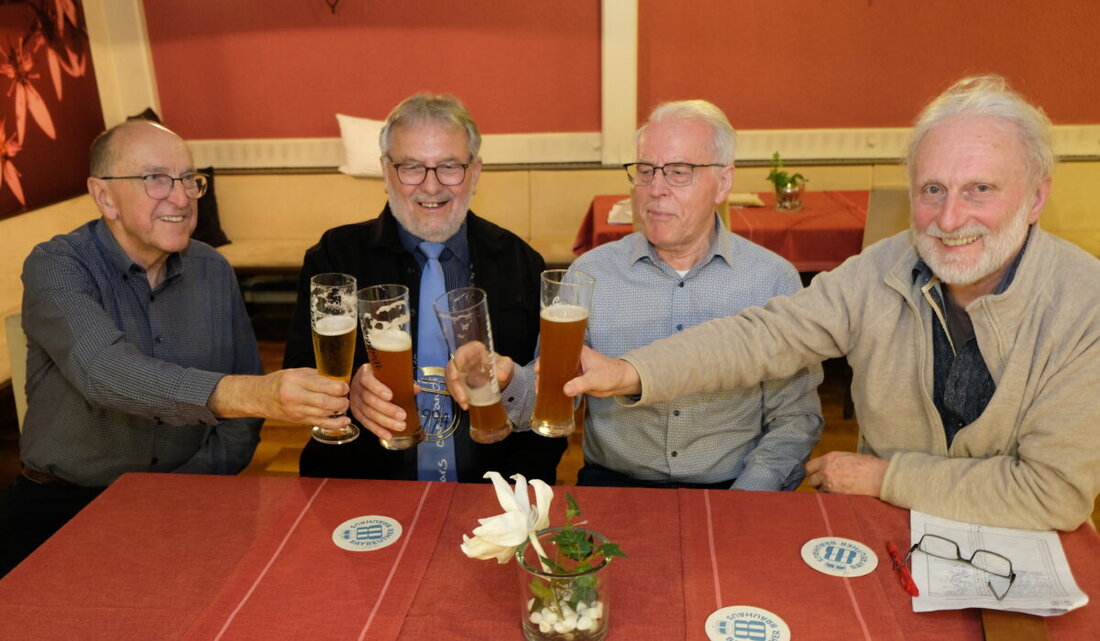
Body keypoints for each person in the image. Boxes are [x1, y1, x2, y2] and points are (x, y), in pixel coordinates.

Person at [566, 75, 1100, 531]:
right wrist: (628, 372)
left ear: (1035, 198)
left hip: (1017, 547)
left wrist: (883, 477)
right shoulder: (884, 267)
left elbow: (1051, 494)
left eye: (980, 189)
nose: (950, 218)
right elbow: (763, 336)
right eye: (932, 189)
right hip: (887, 529)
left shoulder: (1085, 304)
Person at [0, 119, 350, 577]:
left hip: (191, 492)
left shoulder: (212, 269)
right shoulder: (57, 266)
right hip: (65, 500)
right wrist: (255, 393)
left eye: (189, 179)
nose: (182, 198)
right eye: (156, 179)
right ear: (104, 196)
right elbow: (102, 372)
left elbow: (240, 427)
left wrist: (190, 484)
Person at [448, 100, 823, 490]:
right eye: (645, 171)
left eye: (678, 172)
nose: (655, 190)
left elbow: (795, 419)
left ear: (724, 182)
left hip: (732, 485)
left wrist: (746, 498)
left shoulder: (772, 279)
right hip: (614, 485)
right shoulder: (590, 273)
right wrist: (507, 380)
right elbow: (554, 398)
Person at [284, 93, 566, 484]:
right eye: (411, 167)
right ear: (386, 172)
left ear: (476, 172)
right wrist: (349, 393)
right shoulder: (336, 257)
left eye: (449, 166)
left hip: (492, 490)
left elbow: (551, 392)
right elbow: (297, 374)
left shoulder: (521, 261)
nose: (431, 187)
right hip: (365, 484)